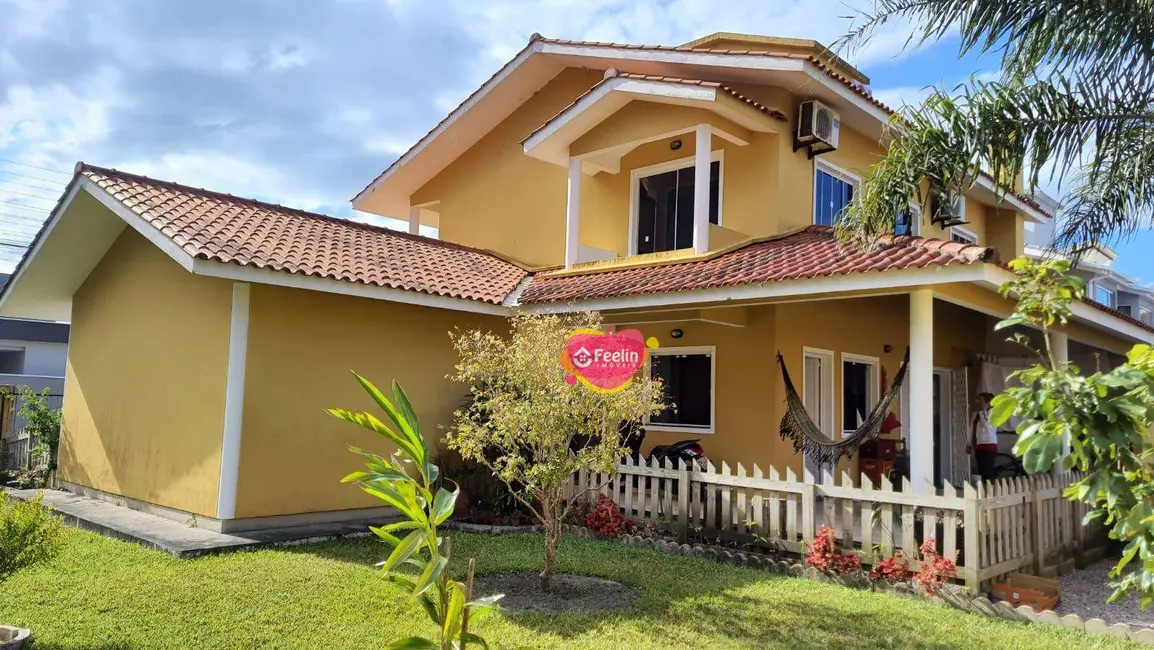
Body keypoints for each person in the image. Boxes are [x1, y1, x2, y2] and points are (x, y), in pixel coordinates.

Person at [969, 392, 999, 482]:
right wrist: (969, 444)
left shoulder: (994, 413)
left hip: (989, 445)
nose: (977, 402)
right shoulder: (976, 414)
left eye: (980, 400)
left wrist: (984, 411)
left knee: (988, 471)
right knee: (981, 471)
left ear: (987, 402)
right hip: (978, 445)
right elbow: (971, 429)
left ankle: (991, 491)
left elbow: (988, 425)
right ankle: (984, 490)